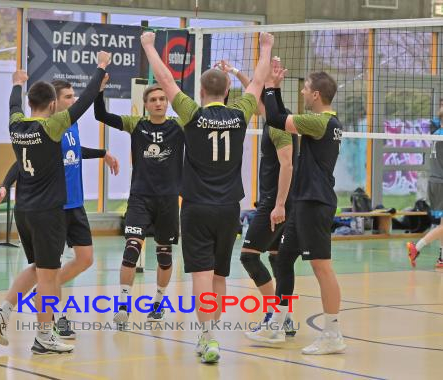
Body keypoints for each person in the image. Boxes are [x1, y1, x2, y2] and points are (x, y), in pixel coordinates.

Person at [141, 31, 273, 363]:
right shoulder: (241, 112)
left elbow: (166, 79)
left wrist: (148, 45)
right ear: (228, 91)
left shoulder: (191, 114)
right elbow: (258, 82)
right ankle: (213, 336)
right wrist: (267, 47)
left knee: (200, 275)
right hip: (229, 208)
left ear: (201, 92)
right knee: (219, 276)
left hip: (197, 207)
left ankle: (208, 339)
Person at [0, 51, 110, 354]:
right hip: (48, 211)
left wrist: (16, 83)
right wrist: (100, 67)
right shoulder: (52, 127)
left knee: (40, 268)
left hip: (25, 210)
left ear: (30, 103)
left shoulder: (17, 126)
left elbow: (13, 106)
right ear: (53, 104)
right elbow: (83, 103)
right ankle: (44, 335)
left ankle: (3, 311)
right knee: (49, 276)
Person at [248, 69, 346, 355]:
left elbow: (277, 120)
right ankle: (276, 325)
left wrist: (270, 88)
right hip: (304, 201)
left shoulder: (319, 122)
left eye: (305, 89)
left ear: (316, 94)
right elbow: (279, 117)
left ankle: (332, 333)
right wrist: (274, 91)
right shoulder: (326, 121)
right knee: (282, 259)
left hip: (315, 202)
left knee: (321, 266)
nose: (302, 92)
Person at [217, 59, 298, 338]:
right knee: (278, 261)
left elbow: (286, 165)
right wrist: (237, 73)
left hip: (275, 203)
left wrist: (277, 205)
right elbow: (255, 94)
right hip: (280, 202)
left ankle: (273, 314)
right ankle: (284, 318)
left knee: (249, 257)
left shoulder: (278, 126)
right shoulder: (275, 116)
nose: (254, 101)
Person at [94, 80, 184, 325]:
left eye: (162, 99)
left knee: (164, 255)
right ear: (145, 105)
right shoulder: (136, 124)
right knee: (132, 249)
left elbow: (210, 122)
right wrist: (100, 88)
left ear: (167, 103)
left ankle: (158, 303)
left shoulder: (179, 126)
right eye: (153, 100)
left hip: (167, 201)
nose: (158, 103)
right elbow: (100, 114)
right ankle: (123, 306)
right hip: (140, 199)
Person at [407, 107, 443, 269]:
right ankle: (417, 247)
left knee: (442, 223)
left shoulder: (436, 134)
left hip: (434, 182)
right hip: (441, 182)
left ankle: (442, 258)